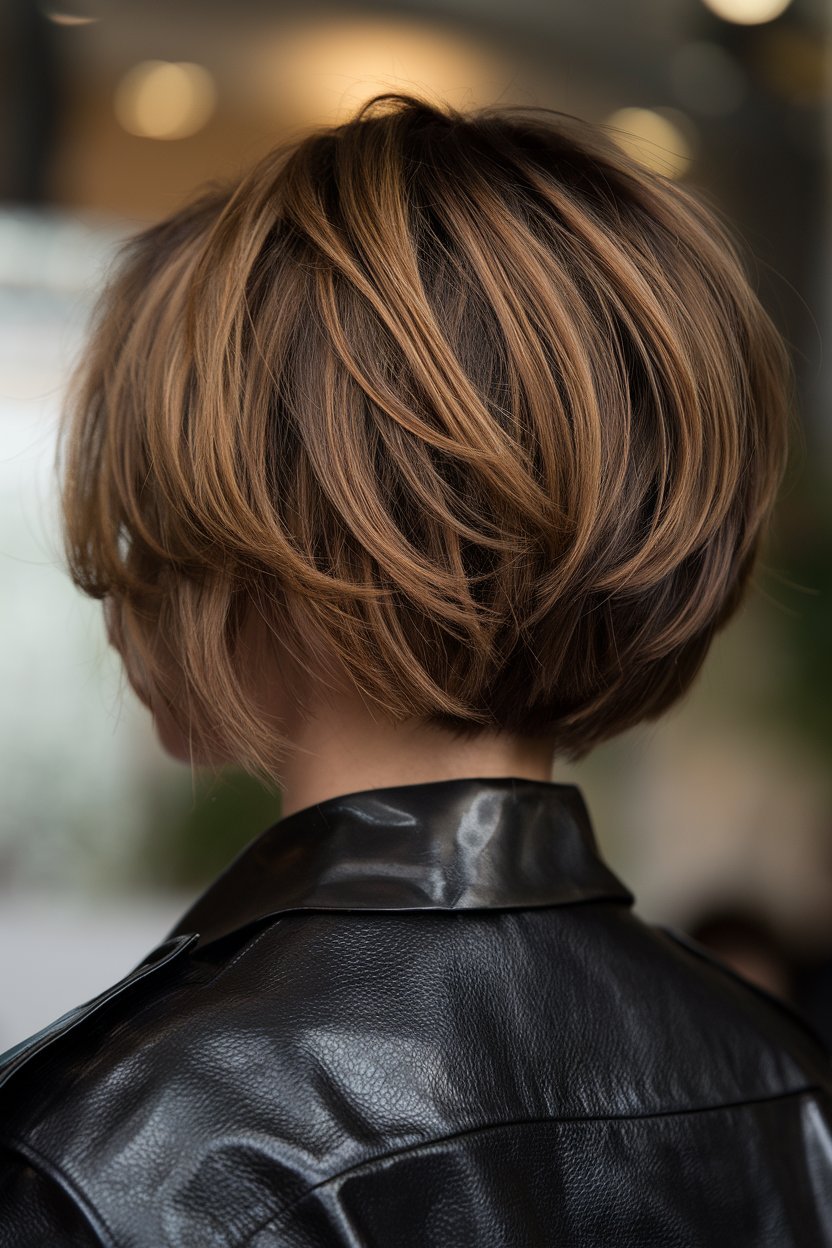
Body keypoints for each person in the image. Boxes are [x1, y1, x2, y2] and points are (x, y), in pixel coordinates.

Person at [0, 90, 829, 1246]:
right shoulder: (782, 1080)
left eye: (153, 516)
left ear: (280, 548)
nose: (118, 586)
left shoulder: (110, 1156)